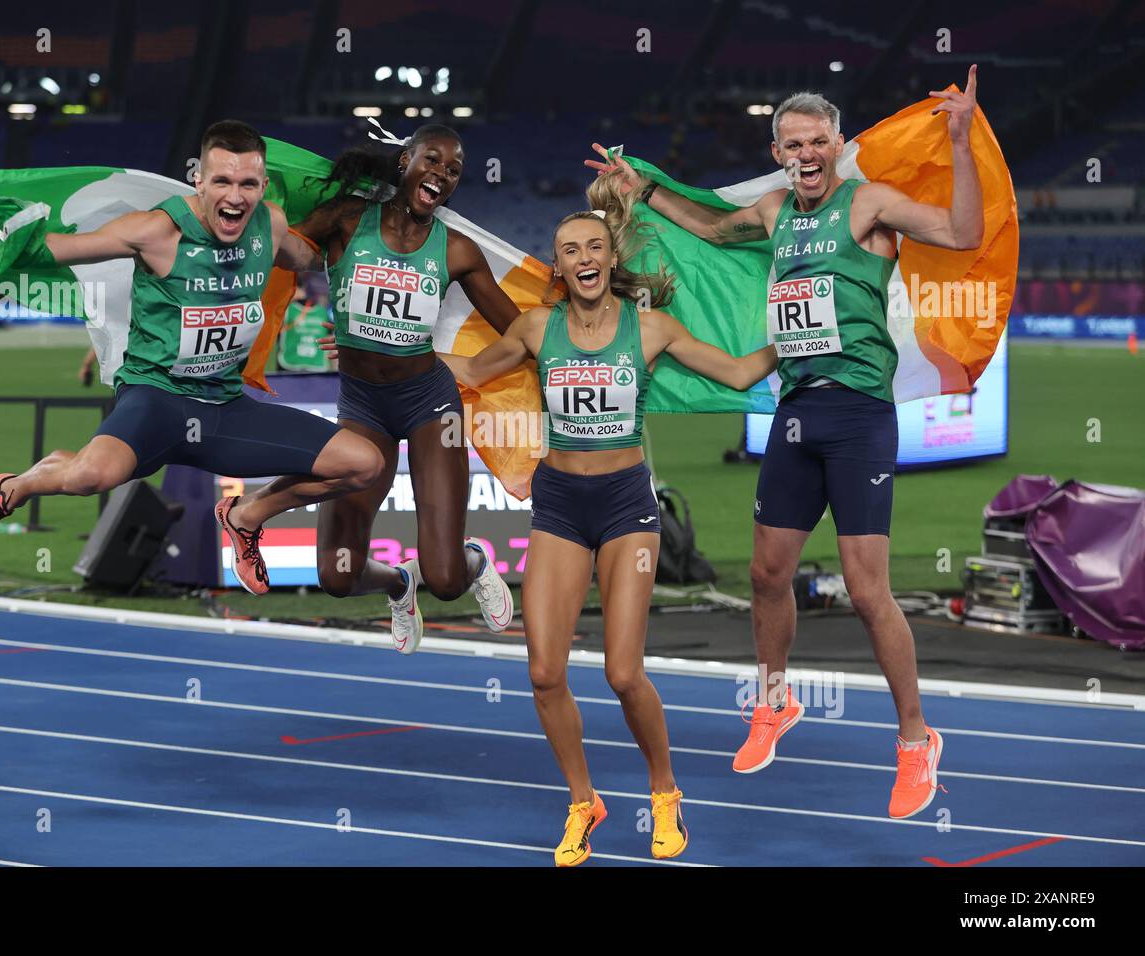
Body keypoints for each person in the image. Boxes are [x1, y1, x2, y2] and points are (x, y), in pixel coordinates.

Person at [586, 67, 984, 818]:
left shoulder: (866, 206)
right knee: (768, 574)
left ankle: (914, 739)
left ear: (837, 144)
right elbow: (705, 225)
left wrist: (959, 140)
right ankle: (773, 701)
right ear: (777, 149)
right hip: (796, 413)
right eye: (792, 142)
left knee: (869, 592)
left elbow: (963, 233)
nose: (805, 152)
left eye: (818, 140)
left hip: (861, 412)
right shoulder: (773, 213)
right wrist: (642, 185)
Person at [441, 200, 777, 865]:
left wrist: (801, 343)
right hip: (560, 504)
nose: (586, 259)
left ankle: (663, 792)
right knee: (543, 672)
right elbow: (471, 374)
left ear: (611, 258)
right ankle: (581, 801)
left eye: (595, 247)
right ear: (559, 267)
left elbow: (737, 372)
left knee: (623, 671)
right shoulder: (537, 329)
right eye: (571, 251)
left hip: (627, 506)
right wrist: (379, 360)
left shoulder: (651, 330)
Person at [0, 120, 384, 562]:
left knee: (363, 463)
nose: (235, 196)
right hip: (156, 401)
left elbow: (309, 258)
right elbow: (47, 249)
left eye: (248, 184)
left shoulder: (270, 224)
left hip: (226, 409)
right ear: (199, 181)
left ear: (263, 185)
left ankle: (246, 517)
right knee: (88, 477)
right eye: (222, 181)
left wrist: (369, 230)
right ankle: (13, 488)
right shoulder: (155, 231)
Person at [232, 124, 516, 654]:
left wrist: (586, 332)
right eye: (433, 160)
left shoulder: (457, 251)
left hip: (431, 406)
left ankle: (474, 558)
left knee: (449, 579)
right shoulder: (346, 218)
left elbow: (517, 330)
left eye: (454, 171)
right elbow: (289, 252)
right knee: (338, 576)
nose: (443, 175)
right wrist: (252, 215)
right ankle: (398, 584)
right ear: (405, 161)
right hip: (363, 407)